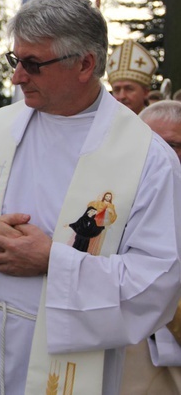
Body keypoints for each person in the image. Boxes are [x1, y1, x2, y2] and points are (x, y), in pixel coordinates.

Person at [0, 0, 181, 395]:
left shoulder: (149, 159)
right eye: (15, 61)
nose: (17, 77)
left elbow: (156, 280)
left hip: (71, 360)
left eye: (33, 64)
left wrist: (52, 260)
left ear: (85, 64)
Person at [119, 100, 181, 394]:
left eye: (173, 144)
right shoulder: (114, 201)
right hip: (127, 356)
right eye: (149, 144)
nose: (161, 154)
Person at [107, 39, 158, 114]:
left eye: (129, 89)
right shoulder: (103, 123)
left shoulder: (156, 123)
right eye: (117, 90)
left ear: (145, 92)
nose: (122, 96)